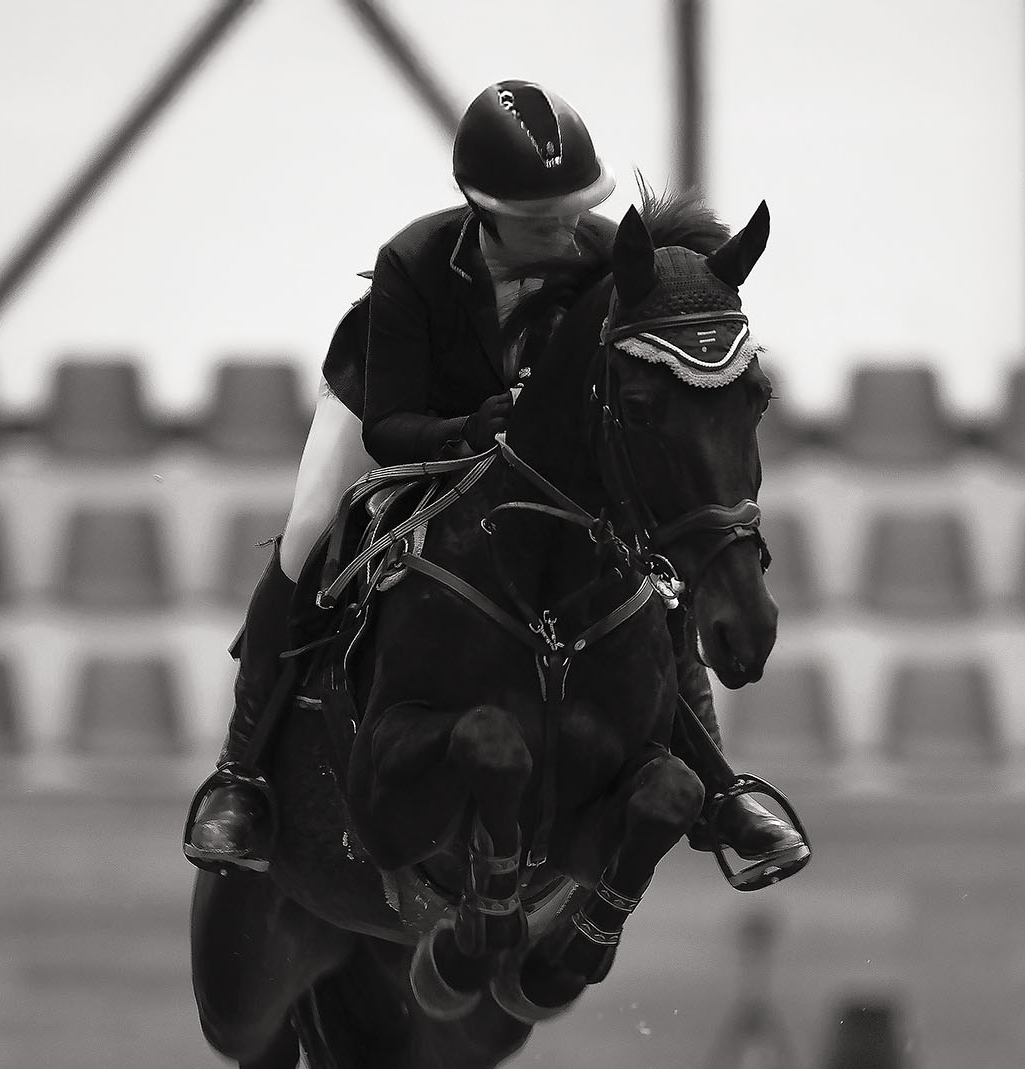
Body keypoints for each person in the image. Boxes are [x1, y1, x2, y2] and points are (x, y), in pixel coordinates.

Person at [185, 80, 809, 885]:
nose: (564, 226)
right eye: (539, 216)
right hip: (397, 409)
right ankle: (244, 776)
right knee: (308, 535)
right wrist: (473, 427)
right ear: (481, 206)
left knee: (649, 571)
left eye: (574, 206)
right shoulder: (414, 262)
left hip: (528, 439)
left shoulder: (602, 261)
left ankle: (721, 787)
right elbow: (390, 427)